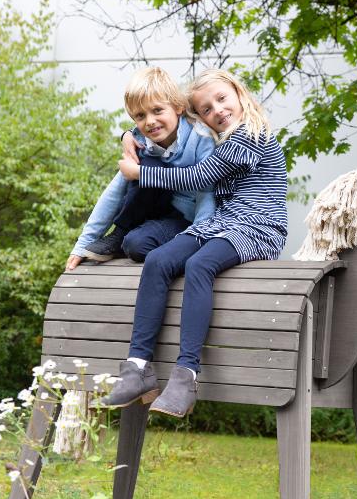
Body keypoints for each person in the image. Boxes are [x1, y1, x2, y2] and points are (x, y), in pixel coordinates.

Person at [100, 69, 289, 417]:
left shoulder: (250, 135)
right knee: (157, 260)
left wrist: (139, 173)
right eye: (204, 108)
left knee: (198, 265)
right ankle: (137, 368)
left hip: (259, 226)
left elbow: (197, 176)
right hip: (222, 224)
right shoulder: (218, 136)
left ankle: (186, 375)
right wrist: (130, 133)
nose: (215, 110)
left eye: (221, 99)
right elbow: (165, 116)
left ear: (238, 93)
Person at [65, 67, 216, 272]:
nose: (150, 121)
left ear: (178, 107)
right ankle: (120, 233)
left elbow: (206, 193)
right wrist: (82, 244)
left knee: (135, 245)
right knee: (146, 164)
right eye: (140, 116)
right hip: (159, 209)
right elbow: (115, 192)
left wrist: (197, 238)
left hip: (188, 219)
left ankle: (132, 238)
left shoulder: (200, 138)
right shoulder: (141, 142)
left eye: (157, 110)